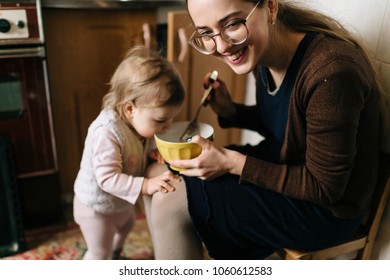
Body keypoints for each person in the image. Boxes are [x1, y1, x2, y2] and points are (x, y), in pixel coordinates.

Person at [143, 0, 388, 260]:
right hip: (283, 167)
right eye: (206, 33)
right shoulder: (262, 55)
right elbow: (292, 124)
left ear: (270, 6)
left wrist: (231, 163)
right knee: (158, 176)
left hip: (325, 210)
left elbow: (324, 188)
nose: (222, 45)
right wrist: (231, 112)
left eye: (232, 24)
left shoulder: (331, 71)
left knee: (169, 201)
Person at [73, 45, 185, 260]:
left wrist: (152, 153)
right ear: (130, 108)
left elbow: (143, 142)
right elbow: (107, 178)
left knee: (127, 227)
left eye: (171, 119)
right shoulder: (107, 132)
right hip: (95, 208)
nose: (168, 126)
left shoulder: (140, 123)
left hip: (119, 204)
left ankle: (115, 254)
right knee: (99, 252)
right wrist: (146, 184)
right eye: (161, 120)